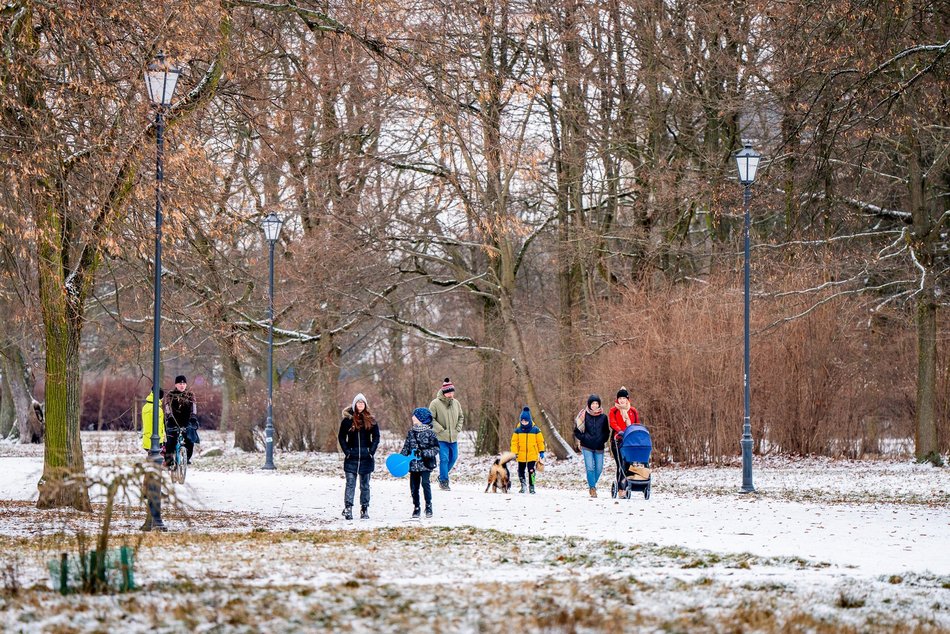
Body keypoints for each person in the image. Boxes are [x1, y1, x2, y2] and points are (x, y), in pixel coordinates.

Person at [338, 393, 380, 520]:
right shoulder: (347, 421)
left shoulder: (371, 420)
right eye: (358, 402)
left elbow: (376, 437)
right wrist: (347, 451)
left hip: (366, 458)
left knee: (365, 485)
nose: (360, 405)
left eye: (362, 403)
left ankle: (364, 508)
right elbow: (341, 437)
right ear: (354, 404)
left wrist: (371, 451)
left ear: (365, 405)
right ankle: (348, 508)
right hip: (352, 457)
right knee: (350, 483)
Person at [401, 407, 439, 518]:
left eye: (415, 416)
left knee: (425, 484)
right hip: (413, 465)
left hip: (426, 465)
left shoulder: (430, 434)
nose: (412, 417)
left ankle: (428, 505)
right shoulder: (411, 433)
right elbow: (406, 448)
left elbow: (436, 448)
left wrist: (423, 453)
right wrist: (400, 459)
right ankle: (416, 507)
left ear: (421, 418)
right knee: (414, 486)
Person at [428, 377, 464, 491]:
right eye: (449, 392)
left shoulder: (456, 403)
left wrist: (457, 429)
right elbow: (430, 419)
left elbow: (461, 417)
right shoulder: (435, 403)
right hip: (441, 437)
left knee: (453, 457)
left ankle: (442, 476)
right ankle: (444, 481)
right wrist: (440, 429)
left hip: (453, 437)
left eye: (452, 392)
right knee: (444, 459)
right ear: (444, 392)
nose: (451, 394)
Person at [573, 394, 611, 498]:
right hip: (587, 446)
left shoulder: (603, 417)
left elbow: (607, 432)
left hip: (599, 447)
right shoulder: (584, 415)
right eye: (593, 403)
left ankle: (592, 484)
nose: (595, 405)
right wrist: (584, 438)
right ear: (589, 405)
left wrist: (603, 440)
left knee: (598, 469)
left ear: (599, 404)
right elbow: (576, 431)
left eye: (596, 403)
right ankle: (592, 488)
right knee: (590, 468)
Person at [608, 387, 642, 498]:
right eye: (620, 398)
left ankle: (628, 484)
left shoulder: (633, 411)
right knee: (621, 465)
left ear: (627, 399)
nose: (622, 400)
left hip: (630, 442)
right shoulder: (614, 410)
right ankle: (621, 489)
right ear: (617, 399)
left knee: (629, 464)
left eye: (624, 398)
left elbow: (637, 424)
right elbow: (613, 423)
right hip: (618, 440)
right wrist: (620, 431)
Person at [510, 406, 545, 494]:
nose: (524, 422)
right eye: (522, 421)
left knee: (531, 470)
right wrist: (514, 452)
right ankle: (523, 485)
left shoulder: (536, 430)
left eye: (526, 421)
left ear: (529, 420)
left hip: (532, 455)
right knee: (520, 470)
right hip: (521, 455)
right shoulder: (517, 430)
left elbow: (540, 442)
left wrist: (541, 451)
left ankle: (532, 486)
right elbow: (514, 442)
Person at [164, 375, 198, 464]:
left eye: (184, 383)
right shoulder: (170, 394)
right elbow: (167, 407)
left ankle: (187, 458)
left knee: (190, 441)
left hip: (186, 421)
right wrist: (169, 416)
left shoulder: (190, 394)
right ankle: (169, 460)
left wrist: (193, 417)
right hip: (173, 421)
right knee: (170, 441)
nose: (182, 385)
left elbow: (193, 407)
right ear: (176, 385)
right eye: (180, 383)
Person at [141, 388, 165, 453]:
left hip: (147, 439)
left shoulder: (146, 406)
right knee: (156, 460)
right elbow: (159, 426)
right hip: (155, 441)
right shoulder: (156, 409)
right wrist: (163, 438)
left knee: (151, 459)